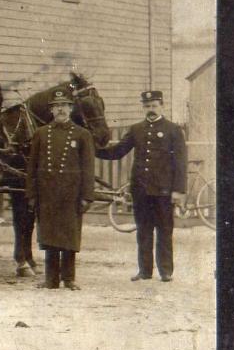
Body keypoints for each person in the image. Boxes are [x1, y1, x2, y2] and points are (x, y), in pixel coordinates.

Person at [96, 89, 188, 282]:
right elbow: (118, 151)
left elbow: (180, 163)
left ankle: (166, 271)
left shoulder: (173, 130)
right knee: (143, 230)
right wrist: (93, 150)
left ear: (162, 106)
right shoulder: (136, 129)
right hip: (141, 190)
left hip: (164, 190)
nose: (151, 109)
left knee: (164, 230)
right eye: (147, 106)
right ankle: (145, 271)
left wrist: (178, 191)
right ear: (143, 108)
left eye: (154, 106)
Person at [26, 88, 95, 289]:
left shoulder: (82, 135)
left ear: (71, 108)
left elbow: (88, 168)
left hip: (71, 194)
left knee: (69, 235)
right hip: (46, 193)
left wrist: (87, 196)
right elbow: (32, 166)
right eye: (56, 107)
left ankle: (69, 278)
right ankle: (51, 279)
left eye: (64, 106)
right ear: (51, 111)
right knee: (49, 235)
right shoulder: (41, 134)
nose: (60, 110)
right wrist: (31, 194)